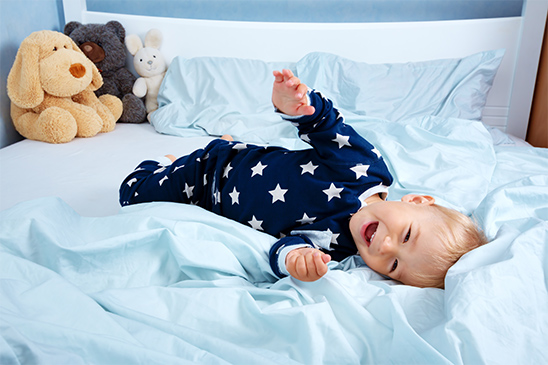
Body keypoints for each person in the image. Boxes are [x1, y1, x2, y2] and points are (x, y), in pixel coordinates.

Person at [120, 69, 487, 288]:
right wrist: (299, 106)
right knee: (131, 194)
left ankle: (182, 159)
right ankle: (160, 162)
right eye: (407, 235)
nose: (387, 247)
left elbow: (285, 246)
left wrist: (295, 261)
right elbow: (329, 130)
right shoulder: (367, 170)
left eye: (394, 267)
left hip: (211, 201)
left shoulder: (339, 249)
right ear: (417, 201)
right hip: (215, 169)